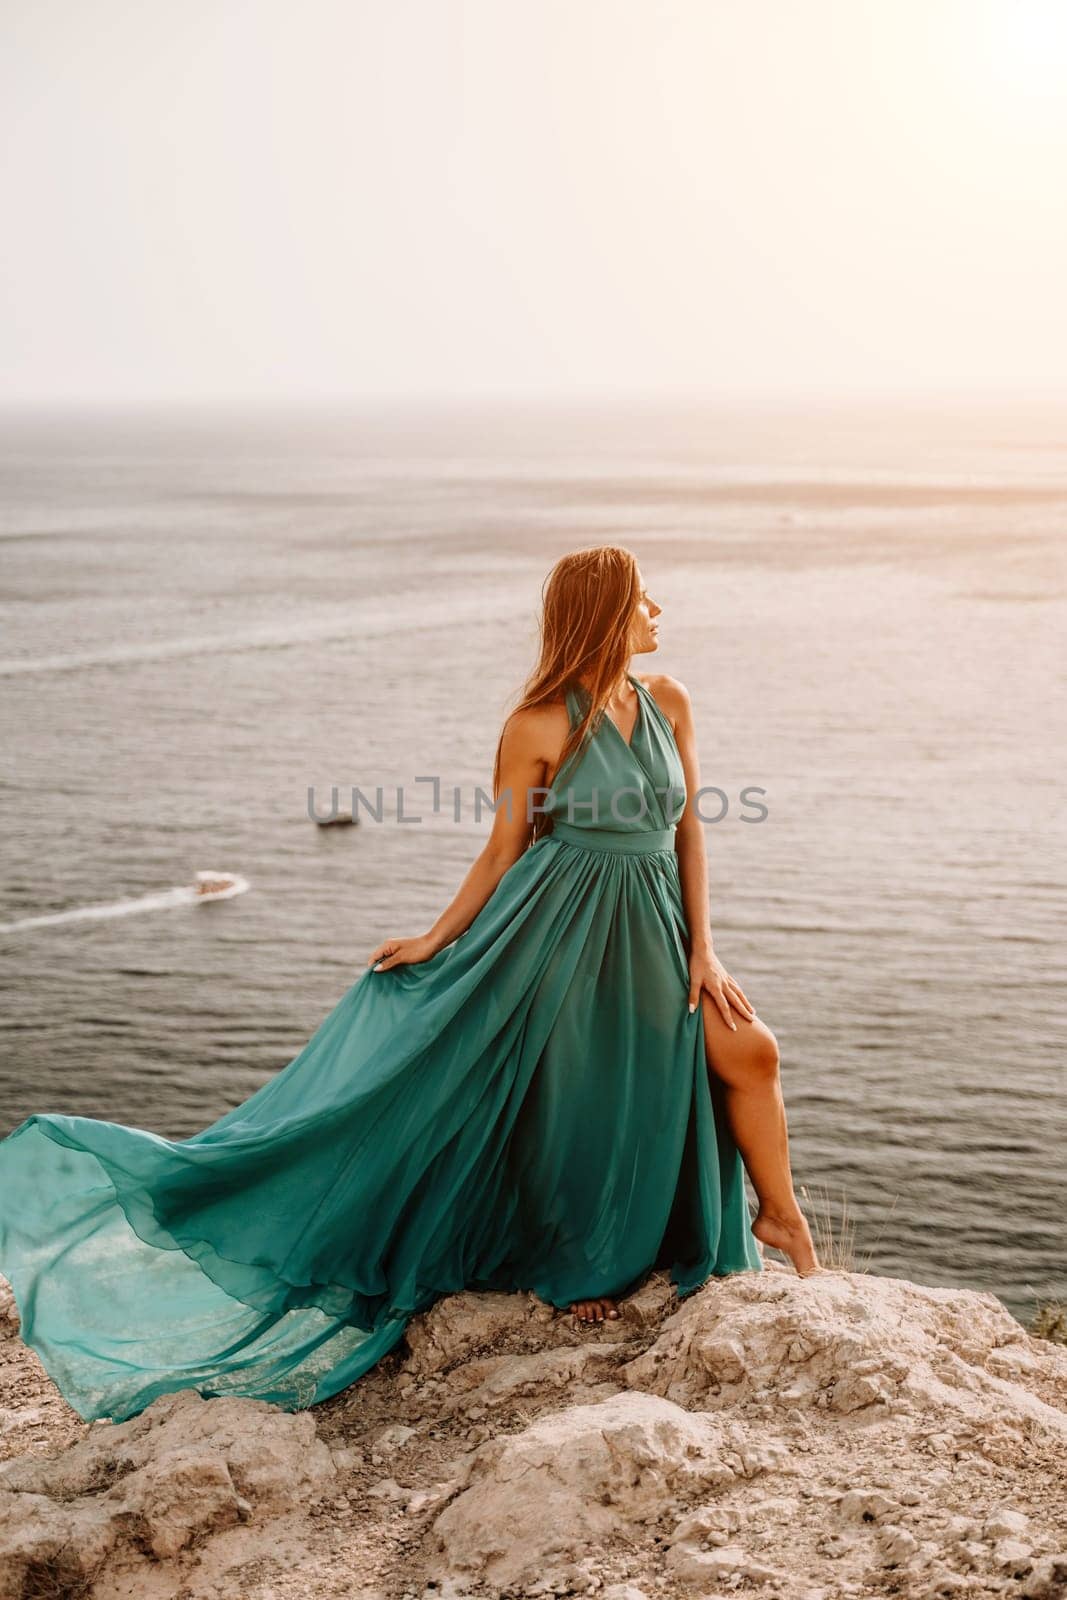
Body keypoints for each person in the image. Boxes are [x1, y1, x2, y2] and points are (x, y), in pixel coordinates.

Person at [0, 545, 817, 1425]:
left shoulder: (668, 702)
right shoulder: (538, 724)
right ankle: (582, 1263)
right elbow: (505, 850)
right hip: (559, 933)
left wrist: (707, 947)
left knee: (749, 1049)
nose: (659, 611)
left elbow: (688, 829)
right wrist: (436, 937)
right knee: (581, 1099)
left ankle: (779, 1217)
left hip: (656, 924)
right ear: (607, 614)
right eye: (644, 598)